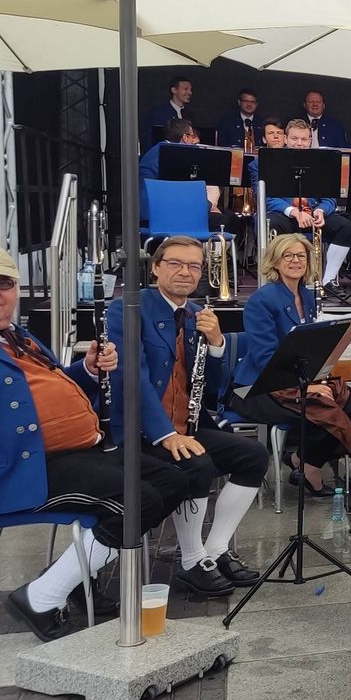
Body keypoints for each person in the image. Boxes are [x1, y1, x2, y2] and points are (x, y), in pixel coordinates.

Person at [0, 246, 192, 641]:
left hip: (71, 456)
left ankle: (79, 575)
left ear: (16, 289)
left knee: (173, 480)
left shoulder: (18, 336)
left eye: (3, 283)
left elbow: (51, 388)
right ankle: (41, 596)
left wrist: (87, 369)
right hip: (16, 472)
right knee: (138, 500)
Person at [108, 237, 269, 596]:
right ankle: (192, 560)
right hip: (142, 431)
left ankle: (215, 551)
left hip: (189, 423)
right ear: (155, 267)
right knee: (197, 464)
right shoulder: (127, 310)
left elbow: (212, 390)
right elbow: (131, 380)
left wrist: (216, 344)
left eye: (194, 266)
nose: (185, 272)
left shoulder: (198, 313)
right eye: (175, 264)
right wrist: (166, 434)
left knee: (253, 456)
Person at [230, 234, 351, 496]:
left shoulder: (307, 294)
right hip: (259, 386)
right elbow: (265, 358)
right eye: (288, 256)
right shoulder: (262, 300)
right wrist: (308, 388)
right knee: (329, 411)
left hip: (298, 377)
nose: (295, 261)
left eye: (301, 256)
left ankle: (303, 462)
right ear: (275, 262)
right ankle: (308, 467)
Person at [265, 118, 351, 297]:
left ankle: (328, 281)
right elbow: (266, 198)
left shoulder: (322, 163)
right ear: (285, 139)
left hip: (313, 214)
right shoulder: (270, 162)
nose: (299, 143)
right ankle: (280, 281)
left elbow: (330, 198)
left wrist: (321, 210)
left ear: (310, 141)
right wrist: (294, 212)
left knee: (345, 226)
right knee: (272, 222)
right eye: (294, 139)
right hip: (284, 215)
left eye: (304, 139)